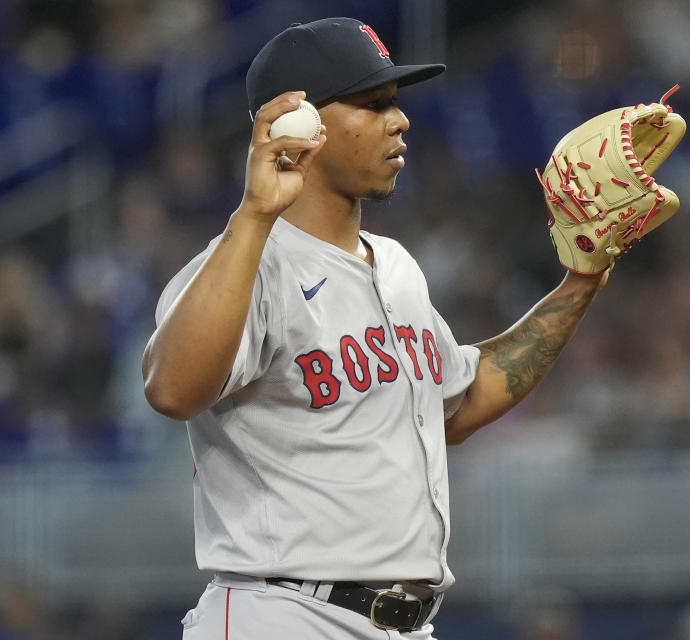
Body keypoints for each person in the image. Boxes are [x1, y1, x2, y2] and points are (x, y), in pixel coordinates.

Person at [142, 17, 607, 640]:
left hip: (402, 625)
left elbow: (460, 402)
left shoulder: (395, 266)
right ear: (297, 125)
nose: (400, 120)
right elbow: (172, 390)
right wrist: (254, 214)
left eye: (395, 102)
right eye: (373, 104)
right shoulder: (242, 266)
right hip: (282, 616)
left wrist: (580, 284)